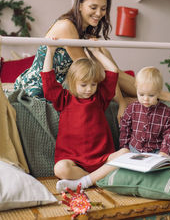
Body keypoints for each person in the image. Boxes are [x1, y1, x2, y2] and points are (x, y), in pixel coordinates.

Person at [14, 0, 170, 121]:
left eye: (103, 8)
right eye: (93, 7)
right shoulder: (66, 26)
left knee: (104, 56)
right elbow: (90, 69)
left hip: (69, 79)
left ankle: (156, 96)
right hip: (43, 85)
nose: (99, 13)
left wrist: (103, 58)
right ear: (80, 5)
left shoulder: (84, 30)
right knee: (103, 65)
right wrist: (119, 96)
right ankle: (162, 97)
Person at [41, 45, 129, 191]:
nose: (89, 89)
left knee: (125, 153)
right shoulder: (64, 98)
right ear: (72, 82)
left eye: (93, 84)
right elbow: (48, 80)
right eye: (83, 85)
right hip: (75, 162)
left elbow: (113, 71)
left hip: (102, 158)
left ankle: (84, 182)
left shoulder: (100, 97)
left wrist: (95, 52)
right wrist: (50, 51)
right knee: (60, 169)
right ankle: (94, 178)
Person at [119, 66, 170, 156]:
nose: (145, 99)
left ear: (159, 92)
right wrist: (124, 148)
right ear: (136, 89)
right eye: (141, 94)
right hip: (134, 149)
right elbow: (125, 129)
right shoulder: (131, 109)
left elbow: (169, 134)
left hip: (156, 151)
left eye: (151, 95)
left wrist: (164, 151)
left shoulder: (166, 113)